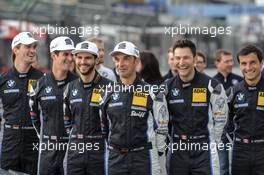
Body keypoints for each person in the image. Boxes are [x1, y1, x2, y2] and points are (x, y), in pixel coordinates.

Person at [99, 41, 169, 175]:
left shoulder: (153, 92)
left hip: (144, 157)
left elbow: (162, 129)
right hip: (116, 158)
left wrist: (159, 157)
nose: (121, 64)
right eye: (117, 59)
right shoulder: (106, 93)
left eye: (126, 58)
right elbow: (104, 128)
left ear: (136, 61)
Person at [165, 39, 228, 175]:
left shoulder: (212, 86)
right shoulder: (166, 88)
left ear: (194, 59)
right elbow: (160, 123)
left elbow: (221, 121)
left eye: (186, 57)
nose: (181, 63)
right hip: (178, 151)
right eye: (178, 58)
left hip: (204, 151)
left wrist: (213, 143)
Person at [29, 36, 77, 175]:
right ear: (53, 55)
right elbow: (34, 118)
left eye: (71, 54)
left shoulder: (79, 84)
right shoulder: (38, 85)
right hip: (48, 150)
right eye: (65, 54)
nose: (70, 58)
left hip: (72, 149)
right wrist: (45, 137)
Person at [63, 41, 111, 175]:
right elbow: (67, 122)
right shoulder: (69, 88)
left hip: (100, 152)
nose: (83, 62)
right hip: (75, 153)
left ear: (96, 60)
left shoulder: (110, 88)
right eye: (79, 57)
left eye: (88, 58)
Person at [0, 32, 43, 174]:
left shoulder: (43, 79)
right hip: (10, 140)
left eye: (34, 47)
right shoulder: (3, 79)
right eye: (28, 46)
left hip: (34, 141)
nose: (33, 50)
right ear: (16, 49)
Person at [228, 44, 264, 175]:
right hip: (240, 151)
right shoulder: (232, 92)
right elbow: (223, 122)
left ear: (261, 63)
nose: (248, 68)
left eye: (252, 62)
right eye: (244, 63)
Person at [213, 49, 243, 175]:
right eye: (227, 61)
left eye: (231, 61)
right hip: (220, 131)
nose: (230, 63)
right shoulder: (211, 82)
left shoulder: (240, 80)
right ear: (217, 63)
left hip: (239, 130)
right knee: (223, 165)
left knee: (241, 165)